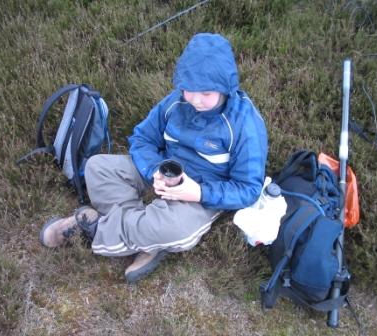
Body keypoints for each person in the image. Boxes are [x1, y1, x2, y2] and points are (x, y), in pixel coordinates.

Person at [39, 33, 268, 283]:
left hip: (203, 193)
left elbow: (248, 189)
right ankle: (148, 239)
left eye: (206, 92)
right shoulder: (175, 102)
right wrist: (154, 171)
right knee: (97, 167)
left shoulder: (245, 124)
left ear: (226, 87)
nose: (195, 100)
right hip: (164, 172)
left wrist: (199, 193)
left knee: (178, 231)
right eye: (189, 89)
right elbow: (142, 139)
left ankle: (89, 229)